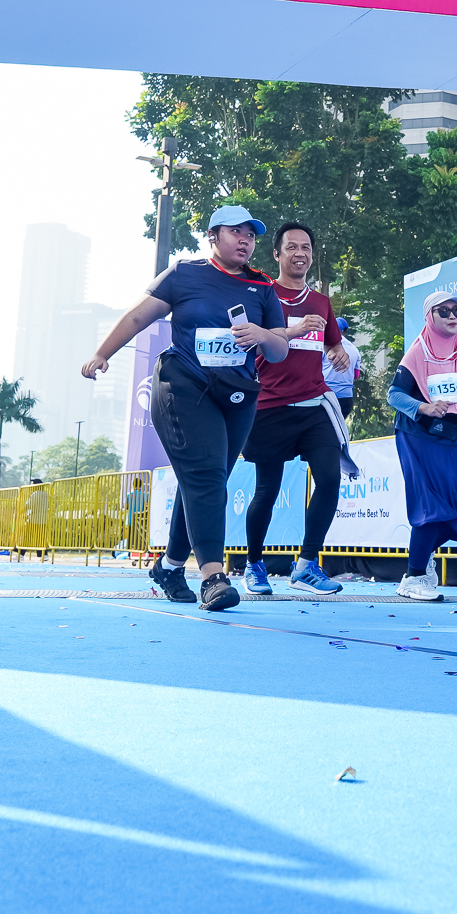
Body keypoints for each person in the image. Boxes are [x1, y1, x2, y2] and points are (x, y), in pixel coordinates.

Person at [82, 206, 288, 611]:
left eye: (251, 234)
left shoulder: (262, 287)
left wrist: (261, 334)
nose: (245, 240)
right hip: (184, 384)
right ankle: (213, 577)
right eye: (236, 232)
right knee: (207, 475)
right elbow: (138, 316)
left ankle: (170, 566)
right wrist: (102, 353)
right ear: (213, 235)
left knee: (206, 480)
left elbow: (279, 349)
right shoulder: (184, 273)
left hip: (237, 394)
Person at [238, 222, 355, 596]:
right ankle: (253, 563)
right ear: (276, 254)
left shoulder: (321, 302)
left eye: (306, 247)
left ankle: (306, 564)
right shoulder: (261, 295)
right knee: (266, 491)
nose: (300, 253)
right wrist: (294, 330)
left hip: (314, 405)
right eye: (291, 247)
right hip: (269, 406)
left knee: (330, 479)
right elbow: (248, 344)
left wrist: (337, 352)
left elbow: (332, 343)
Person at [388, 290, 457, 602]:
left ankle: (423, 554)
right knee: (430, 508)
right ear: (429, 316)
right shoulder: (416, 353)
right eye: (444, 311)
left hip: (453, 436)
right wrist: (424, 407)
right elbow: (394, 395)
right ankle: (414, 576)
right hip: (416, 435)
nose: (452, 316)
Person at [324, 317, 361, 422]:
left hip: (326, 396)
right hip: (346, 397)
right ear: (344, 331)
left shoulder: (324, 345)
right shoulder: (355, 350)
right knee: (338, 427)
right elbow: (356, 375)